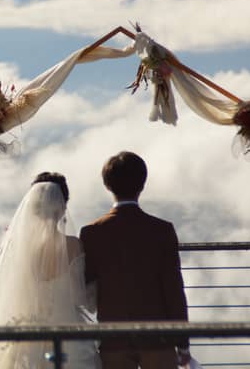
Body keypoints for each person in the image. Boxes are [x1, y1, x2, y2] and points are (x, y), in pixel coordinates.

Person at [0, 172, 101, 369]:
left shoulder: (18, 248)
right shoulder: (73, 246)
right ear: (63, 208)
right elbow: (80, 299)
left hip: (25, 329)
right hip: (67, 333)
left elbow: (7, 292)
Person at [80, 151, 191, 369]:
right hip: (159, 338)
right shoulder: (161, 230)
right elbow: (173, 288)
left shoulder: (92, 233)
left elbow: (86, 283)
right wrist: (183, 342)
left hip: (113, 337)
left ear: (107, 184)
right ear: (142, 183)